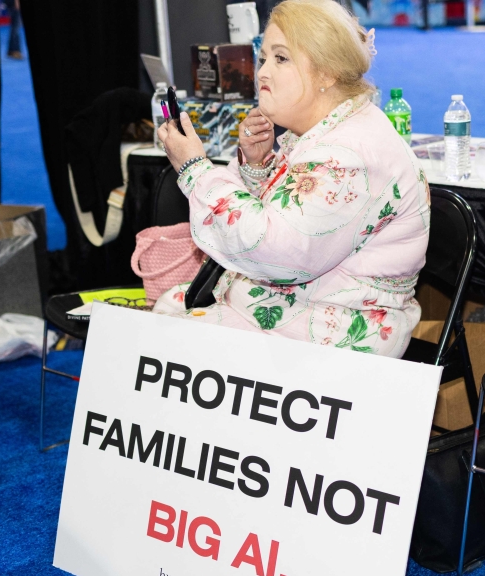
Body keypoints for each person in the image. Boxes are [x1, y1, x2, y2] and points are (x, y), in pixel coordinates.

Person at [154, 0, 430, 359]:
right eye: (264, 56)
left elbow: (275, 253)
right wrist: (258, 167)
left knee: (162, 341)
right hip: (299, 307)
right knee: (162, 316)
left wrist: (194, 169)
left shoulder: (348, 156)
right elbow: (296, 223)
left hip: (333, 331)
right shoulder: (327, 130)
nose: (262, 72)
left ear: (326, 73)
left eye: (281, 59)